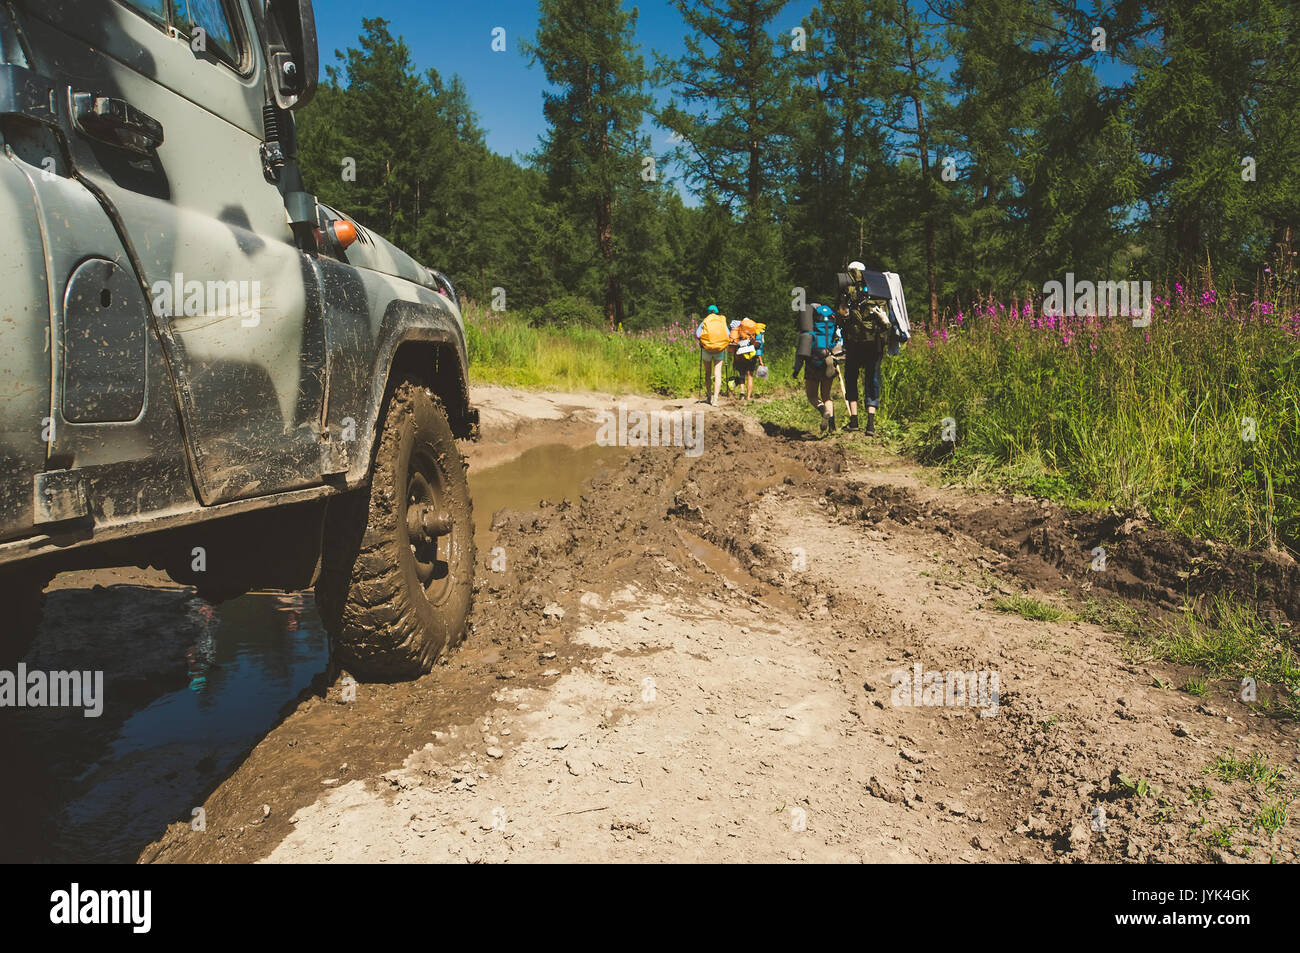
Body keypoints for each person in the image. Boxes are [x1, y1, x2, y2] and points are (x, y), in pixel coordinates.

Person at [837, 260, 891, 435]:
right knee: (872, 380)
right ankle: (871, 424)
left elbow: (842, 316)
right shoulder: (879, 291)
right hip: (874, 344)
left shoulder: (847, 291)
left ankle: (854, 421)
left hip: (854, 344)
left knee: (851, 378)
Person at [793, 303, 843, 434]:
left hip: (813, 361)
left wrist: (796, 370)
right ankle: (832, 428)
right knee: (827, 396)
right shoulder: (833, 326)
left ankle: (822, 411)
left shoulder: (809, 331)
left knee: (812, 395)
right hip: (829, 361)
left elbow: (801, 351)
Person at [696, 304, 730, 405]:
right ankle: (715, 399)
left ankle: (709, 396)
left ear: (708, 312)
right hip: (719, 350)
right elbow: (727, 334)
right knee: (717, 374)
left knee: (707, 373)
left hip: (707, 350)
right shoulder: (721, 321)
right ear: (717, 311)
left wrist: (702, 342)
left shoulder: (705, 321)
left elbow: (698, 334)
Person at [729, 317, 765, 400]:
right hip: (751, 356)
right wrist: (760, 360)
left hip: (740, 355)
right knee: (750, 376)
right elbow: (758, 348)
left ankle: (742, 392)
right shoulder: (756, 330)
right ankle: (748, 397)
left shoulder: (738, 329)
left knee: (741, 374)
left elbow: (734, 343)